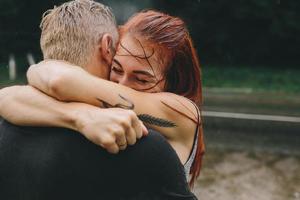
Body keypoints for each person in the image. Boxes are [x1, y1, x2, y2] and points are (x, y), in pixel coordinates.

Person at [0, 0, 198, 199]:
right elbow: (6, 97)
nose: (120, 86)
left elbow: (57, 81)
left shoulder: (183, 112)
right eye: (116, 68)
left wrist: (39, 68)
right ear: (108, 48)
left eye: (142, 79)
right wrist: (79, 116)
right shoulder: (98, 115)